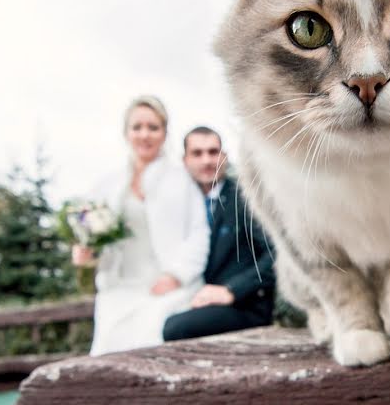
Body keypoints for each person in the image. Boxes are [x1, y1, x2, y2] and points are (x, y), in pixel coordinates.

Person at [73, 96, 209, 355]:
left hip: (165, 287)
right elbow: (91, 237)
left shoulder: (180, 179)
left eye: (153, 127)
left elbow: (198, 233)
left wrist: (177, 275)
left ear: (164, 132)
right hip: (119, 288)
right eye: (137, 127)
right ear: (126, 133)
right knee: (108, 349)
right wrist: (86, 252)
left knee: (151, 342)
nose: (144, 134)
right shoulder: (107, 186)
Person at [162, 126, 275, 341]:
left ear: (224, 156)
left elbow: (276, 255)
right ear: (185, 160)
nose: (206, 160)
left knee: (173, 327)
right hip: (191, 298)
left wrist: (231, 290)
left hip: (242, 306)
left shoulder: (246, 197)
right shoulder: (179, 202)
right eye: (197, 153)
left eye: (213, 152)